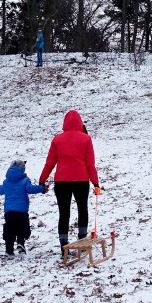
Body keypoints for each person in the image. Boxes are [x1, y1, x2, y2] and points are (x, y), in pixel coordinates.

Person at [39, 109, 101, 256]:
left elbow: (50, 163)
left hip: (61, 182)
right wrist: (96, 183)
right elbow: (90, 164)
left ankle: (64, 245)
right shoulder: (86, 139)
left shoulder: (57, 140)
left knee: (64, 213)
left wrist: (42, 180)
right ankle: (82, 240)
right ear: (80, 122)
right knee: (82, 209)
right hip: (81, 180)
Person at [0, 159, 47, 257]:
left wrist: (1, 187)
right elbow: (30, 189)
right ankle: (20, 243)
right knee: (22, 228)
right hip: (22, 211)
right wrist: (42, 188)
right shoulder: (25, 180)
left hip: (9, 211)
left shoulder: (6, 182)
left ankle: (9, 250)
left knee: (9, 229)